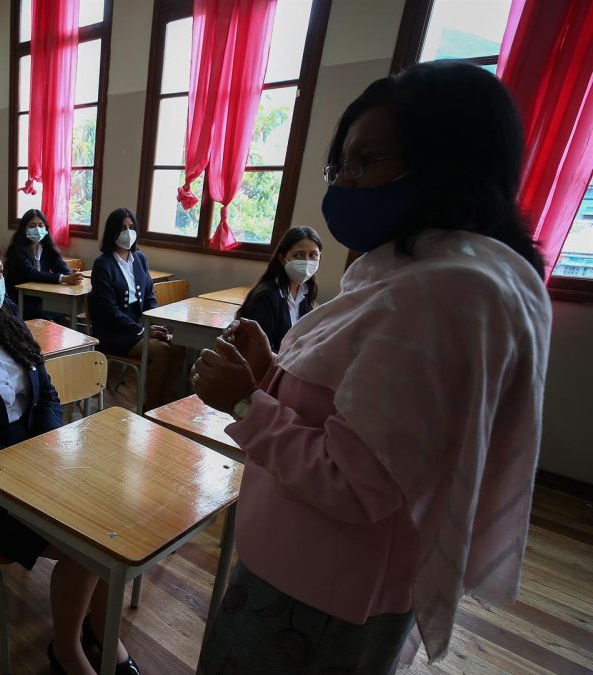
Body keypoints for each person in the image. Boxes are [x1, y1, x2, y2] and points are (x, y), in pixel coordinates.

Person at [192, 61, 550, 673]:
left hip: (319, 595)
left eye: (368, 161)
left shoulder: (443, 293)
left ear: (446, 160)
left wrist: (246, 403)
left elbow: (356, 482)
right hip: (306, 568)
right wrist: (271, 373)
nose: (346, 183)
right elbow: (358, 412)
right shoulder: (415, 270)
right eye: (343, 165)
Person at [0, 234, 140, 675]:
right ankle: (67, 650)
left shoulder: (9, 320)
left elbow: (47, 394)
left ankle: (101, 630)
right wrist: (16, 459)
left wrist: (47, 444)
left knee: (112, 525)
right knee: (85, 547)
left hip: (41, 458)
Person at [88, 207, 181, 411]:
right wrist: (142, 330)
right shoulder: (103, 264)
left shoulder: (139, 259)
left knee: (179, 345)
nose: (128, 232)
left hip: (137, 326)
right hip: (114, 332)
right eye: (122, 228)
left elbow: (149, 296)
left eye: (131, 227)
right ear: (112, 232)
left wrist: (155, 323)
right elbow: (108, 310)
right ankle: (150, 406)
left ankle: (163, 402)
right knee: (162, 352)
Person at [236, 226, 323, 352]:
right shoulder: (266, 297)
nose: (307, 261)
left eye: (313, 255)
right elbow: (258, 350)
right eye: (298, 255)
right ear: (282, 259)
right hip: (269, 368)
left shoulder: (305, 291)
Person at [4, 209, 83, 321]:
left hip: (42, 297)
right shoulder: (16, 250)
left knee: (64, 313)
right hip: (21, 299)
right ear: (23, 229)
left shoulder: (47, 247)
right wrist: (64, 278)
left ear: (46, 228)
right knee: (47, 314)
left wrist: (73, 275)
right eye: (32, 226)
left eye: (41, 225)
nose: (37, 229)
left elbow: (60, 267)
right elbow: (31, 274)